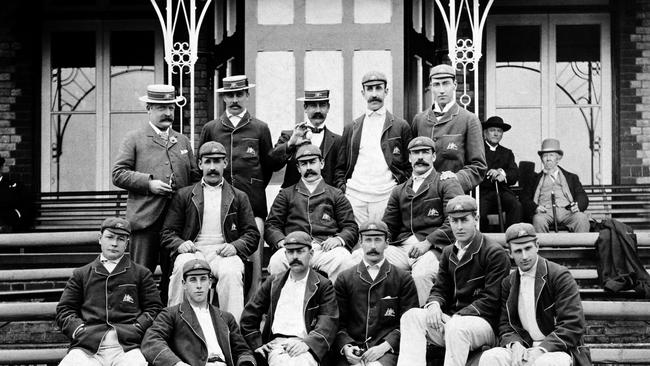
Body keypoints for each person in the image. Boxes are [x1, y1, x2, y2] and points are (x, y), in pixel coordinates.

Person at [397, 195, 511, 366]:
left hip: (483, 324)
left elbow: (492, 300)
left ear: (476, 219)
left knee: (456, 328)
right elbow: (440, 289)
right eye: (454, 221)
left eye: (464, 220)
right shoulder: (448, 252)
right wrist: (434, 305)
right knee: (411, 316)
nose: (459, 226)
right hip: (451, 320)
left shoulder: (494, 252)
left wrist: (456, 317)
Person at [112, 84, 199, 303]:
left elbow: (195, 176)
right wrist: (149, 184)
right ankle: (138, 326)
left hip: (176, 224)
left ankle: (173, 323)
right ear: (148, 108)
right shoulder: (134, 138)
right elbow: (118, 174)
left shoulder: (182, 141)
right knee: (141, 275)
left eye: (170, 107)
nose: (168, 113)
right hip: (145, 221)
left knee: (176, 276)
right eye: (161, 107)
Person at [161, 141, 259, 321]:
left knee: (232, 272)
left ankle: (233, 331)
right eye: (207, 162)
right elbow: (167, 233)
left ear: (225, 164)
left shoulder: (238, 196)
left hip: (223, 252)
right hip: (194, 251)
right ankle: (174, 324)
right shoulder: (184, 195)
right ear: (200, 164)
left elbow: (252, 234)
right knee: (182, 266)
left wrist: (235, 247)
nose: (212, 167)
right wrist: (181, 244)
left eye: (217, 161)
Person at [479, 223, 591, 366]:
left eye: (528, 248)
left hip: (558, 349)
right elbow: (505, 324)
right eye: (518, 251)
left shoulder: (559, 275)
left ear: (537, 246)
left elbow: (573, 324)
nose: (524, 256)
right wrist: (514, 344)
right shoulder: (508, 283)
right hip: (526, 346)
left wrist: (542, 349)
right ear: (510, 253)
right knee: (491, 357)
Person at [56, 217, 163, 366]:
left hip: (127, 347)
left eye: (121, 239)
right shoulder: (81, 274)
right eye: (110, 237)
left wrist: (138, 327)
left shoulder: (141, 273)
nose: (114, 243)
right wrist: (78, 330)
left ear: (127, 243)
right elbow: (64, 310)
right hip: (87, 346)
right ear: (100, 239)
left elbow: (155, 308)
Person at [379, 136, 464, 305]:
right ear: (409, 158)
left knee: (421, 274)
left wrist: (428, 242)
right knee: (367, 259)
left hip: (436, 248)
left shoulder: (446, 183)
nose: (420, 157)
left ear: (433, 157)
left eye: (425, 152)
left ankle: (424, 323)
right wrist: (378, 241)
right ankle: (384, 322)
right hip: (402, 248)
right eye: (415, 153)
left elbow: (455, 221)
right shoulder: (399, 190)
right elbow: (388, 225)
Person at [240, 231, 339, 366]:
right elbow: (249, 317)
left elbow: (328, 321)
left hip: (306, 347)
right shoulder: (274, 282)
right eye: (290, 252)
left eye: (300, 251)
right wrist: (257, 344)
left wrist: (308, 343)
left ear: (311, 254)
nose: (295, 256)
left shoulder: (322, 285)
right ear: (285, 254)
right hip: (277, 346)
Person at [265, 144, 358, 283]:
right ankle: (285, 304)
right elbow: (271, 225)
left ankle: (336, 305)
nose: (308, 168)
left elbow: (350, 227)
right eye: (303, 164)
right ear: (298, 168)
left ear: (321, 163)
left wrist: (338, 239)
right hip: (295, 248)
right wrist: (281, 241)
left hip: (326, 250)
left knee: (344, 260)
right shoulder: (286, 194)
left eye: (312, 162)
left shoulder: (335, 194)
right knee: (276, 261)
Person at [334, 220, 419, 366]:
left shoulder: (403, 278)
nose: (373, 246)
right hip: (352, 353)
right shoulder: (345, 278)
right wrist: (347, 347)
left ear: (387, 243)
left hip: (386, 353)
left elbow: (409, 323)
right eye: (368, 240)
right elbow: (336, 322)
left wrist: (384, 347)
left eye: (378, 240)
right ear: (360, 243)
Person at [142, 258, 257, 366]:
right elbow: (151, 341)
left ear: (210, 282)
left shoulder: (226, 318)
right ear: (184, 284)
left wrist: (246, 362)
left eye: (203, 279)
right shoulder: (171, 314)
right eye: (193, 280)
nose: (199, 286)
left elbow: (243, 351)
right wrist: (176, 364)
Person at [199, 75, 275, 235]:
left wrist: (254, 184)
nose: (235, 100)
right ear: (223, 97)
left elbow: (268, 167)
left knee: (254, 247)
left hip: (253, 200)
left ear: (247, 95)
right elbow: (201, 165)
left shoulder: (260, 128)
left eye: (239, 94)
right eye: (230, 95)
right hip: (218, 200)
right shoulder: (211, 128)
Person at [334, 71, 412, 225]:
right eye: (370, 89)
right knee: (357, 245)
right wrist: (344, 190)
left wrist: (398, 192)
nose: (374, 94)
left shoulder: (400, 126)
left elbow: (409, 165)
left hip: (386, 196)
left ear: (386, 91)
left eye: (378, 88)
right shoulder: (352, 128)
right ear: (363, 93)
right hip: (355, 198)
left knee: (384, 243)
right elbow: (340, 167)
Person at [411, 64, 486, 193]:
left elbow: (478, 167)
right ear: (431, 87)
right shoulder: (420, 120)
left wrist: (455, 179)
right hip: (423, 196)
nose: (441, 90)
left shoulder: (468, 119)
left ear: (455, 85)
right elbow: (411, 159)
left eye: (446, 83)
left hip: (454, 197)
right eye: (436, 84)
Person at [270, 89, 342, 188]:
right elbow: (272, 164)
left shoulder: (338, 141)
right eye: (313, 105)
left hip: (326, 200)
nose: (318, 110)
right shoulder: (290, 136)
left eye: (322, 105)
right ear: (305, 108)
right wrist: (290, 144)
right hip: (294, 199)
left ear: (328, 108)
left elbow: (340, 174)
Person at [520, 138, 590, 233]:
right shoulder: (534, 179)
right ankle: (543, 248)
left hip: (567, 211)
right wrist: (535, 207)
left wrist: (578, 205)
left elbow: (581, 195)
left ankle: (579, 248)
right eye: (545, 155)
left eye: (551, 155)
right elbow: (524, 198)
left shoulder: (571, 177)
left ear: (558, 158)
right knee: (538, 220)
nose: (548, 158)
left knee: (581, 218)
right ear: (541, 159)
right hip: (545, 212)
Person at [479, 116, 522, 232]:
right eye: (492, 130)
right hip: (483, 192)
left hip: (502, 191)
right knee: (480, 214)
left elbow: (514, 174)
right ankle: (485, 243)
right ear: (485, 133)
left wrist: (502, 173)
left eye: (499, 131)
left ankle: (511, 237)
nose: (496, 134)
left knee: (516, 206)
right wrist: (490, 173)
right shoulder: (478, 150)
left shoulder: (507, 153)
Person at [0, 156, 30, 232]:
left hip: (8, 228)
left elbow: (24, 208)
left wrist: (10, 224)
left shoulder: (15, 186)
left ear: (1, 166)